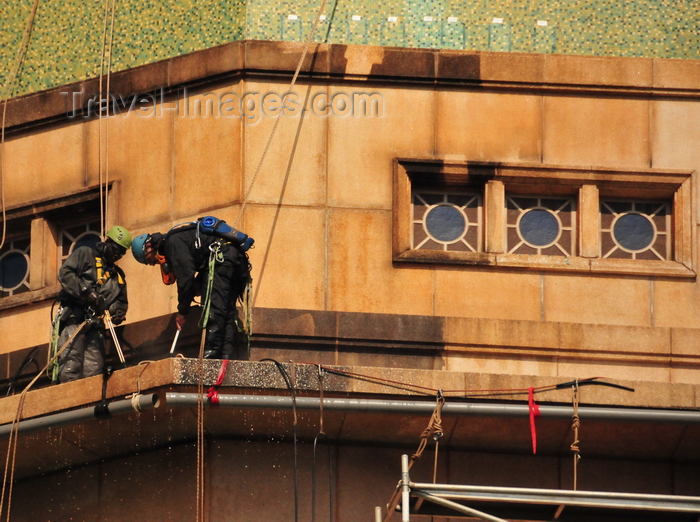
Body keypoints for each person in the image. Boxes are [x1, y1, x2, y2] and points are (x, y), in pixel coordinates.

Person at [131, 219, 251, 360]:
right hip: (234, 261)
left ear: (149, 247)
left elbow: (185, 279)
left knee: (213, 306)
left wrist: (182, 311)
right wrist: (198, 284)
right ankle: (226, 353)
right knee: (226, 309)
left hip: (221, 260)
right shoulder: (181, 238)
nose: (154, 263)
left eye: (150, 260)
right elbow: (201, 262)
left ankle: (212, 353)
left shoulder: (172, 243)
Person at [56, 225, 131, 383]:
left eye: (121, 253)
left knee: (94, 369)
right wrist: (85, 291)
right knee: (71, 363)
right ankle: (69, 403)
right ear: (107, 242)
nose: (117, 255)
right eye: (116, 249)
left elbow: (120, 301)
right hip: (74, 318)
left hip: (96, 324)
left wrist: (117, 312)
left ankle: (89, 404)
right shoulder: (85, 254)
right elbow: (65, 274)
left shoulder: (117, 276)